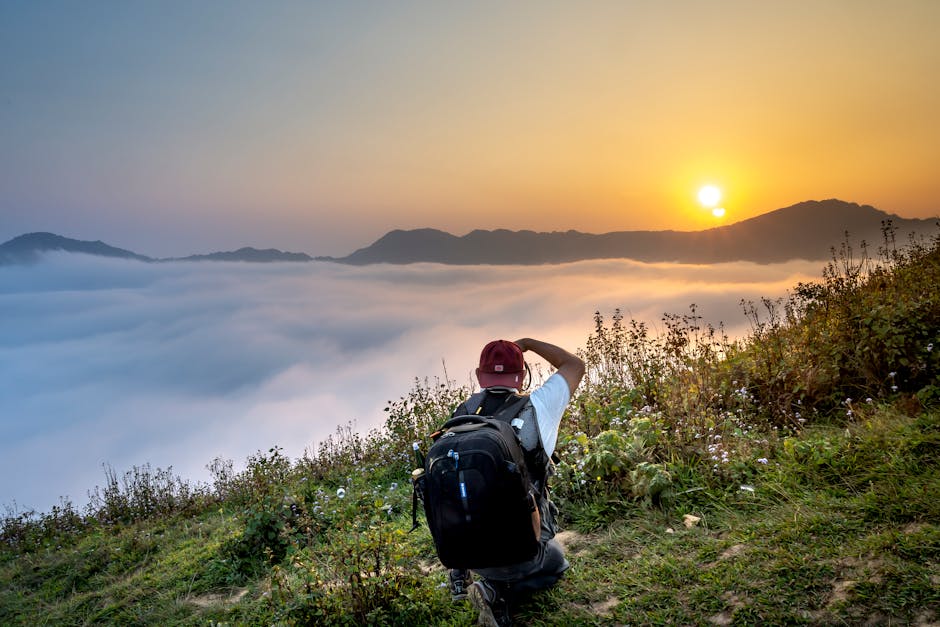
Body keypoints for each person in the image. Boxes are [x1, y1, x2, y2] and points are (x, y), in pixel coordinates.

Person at [450, 338, 585, 627]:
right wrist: (528, 344)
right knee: (555, 563)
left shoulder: (460, 415)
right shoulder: (538, 406)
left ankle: (467, 578)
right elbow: (576, 365)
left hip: (469, 550)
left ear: (478, 375)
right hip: (523, 546)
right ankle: (498, 592)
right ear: (522, 375)